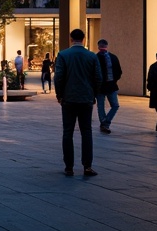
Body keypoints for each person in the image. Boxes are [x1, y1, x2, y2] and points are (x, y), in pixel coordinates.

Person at [53, 28, 102, 177]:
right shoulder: (92, 56)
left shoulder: (63, 55)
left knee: (68, 132)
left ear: (70, 39)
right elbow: (98, 78)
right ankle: (87, 166)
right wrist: (93, 94)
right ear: (84, 39)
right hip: (86, 99)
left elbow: (58, 77)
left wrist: (59, 95)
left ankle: (69, 167)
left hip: (68, 99)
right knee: (86, 131)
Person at [94, 39, 123, 133]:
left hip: (100, 86)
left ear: (98, 46)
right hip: (111, 85)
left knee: (101, 106)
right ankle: (106, 123)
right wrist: (114, 80)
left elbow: (91, 73)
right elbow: (119, 72)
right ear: (107, 46)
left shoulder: (95, 58)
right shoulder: (113, 57)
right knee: (115, 105)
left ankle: (104, 122)